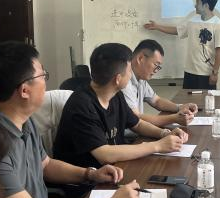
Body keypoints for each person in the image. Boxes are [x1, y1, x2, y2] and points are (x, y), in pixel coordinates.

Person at [0, 41, 140, 198]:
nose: (45, 82)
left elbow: (45, 165)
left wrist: (90, 174)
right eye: (42, 76)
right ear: (25, 90)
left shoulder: (21, 119)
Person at [53, 42, 189, 169]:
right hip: (87, 178)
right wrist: (157, 146)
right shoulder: (81, 105)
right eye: (129, 71)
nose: (131, 75)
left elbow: (137, 124)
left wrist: (164, 133)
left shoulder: (115, 95)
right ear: (118, 79)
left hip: (114, 168)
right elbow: (104, 154)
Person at [145, 0, 220, 90]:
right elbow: (178, 30)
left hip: (206, 73)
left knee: (206, 99)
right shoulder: (192, 20)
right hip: (189, 72)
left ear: (206, 5)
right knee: (187, 98)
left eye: (198, 2)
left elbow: (219, 51)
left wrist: (215, 73)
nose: (195, 5)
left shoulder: (218, 24)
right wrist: (157, 27)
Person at [122, 39, 199, 127]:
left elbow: (156, 101)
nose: (156, 70)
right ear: (140, 58)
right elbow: (136, 118)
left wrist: (180, 107)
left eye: (158, 67)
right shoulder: (124, 83)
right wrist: (174, 118)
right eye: (156, 64)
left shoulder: (141, 79)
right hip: (129, 134)